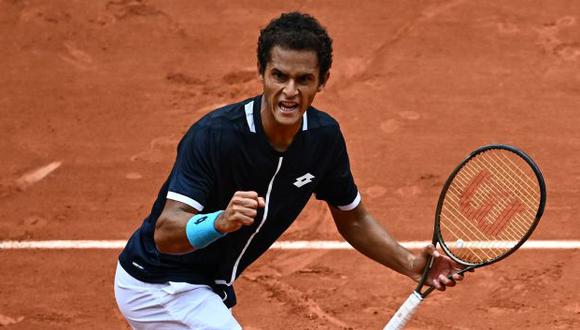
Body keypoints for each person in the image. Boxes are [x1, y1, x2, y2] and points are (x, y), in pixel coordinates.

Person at [114, 11, 465, 329]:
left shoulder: (323, 139)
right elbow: (166, 233)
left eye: (304, 79)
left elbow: (353, 218)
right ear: (262, 73)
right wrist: (219, 221)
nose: (289, 92)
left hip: (206, 286)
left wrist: (410, 263)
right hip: (159, 284)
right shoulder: (214, 137)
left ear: (322, 81)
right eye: (279, 76)